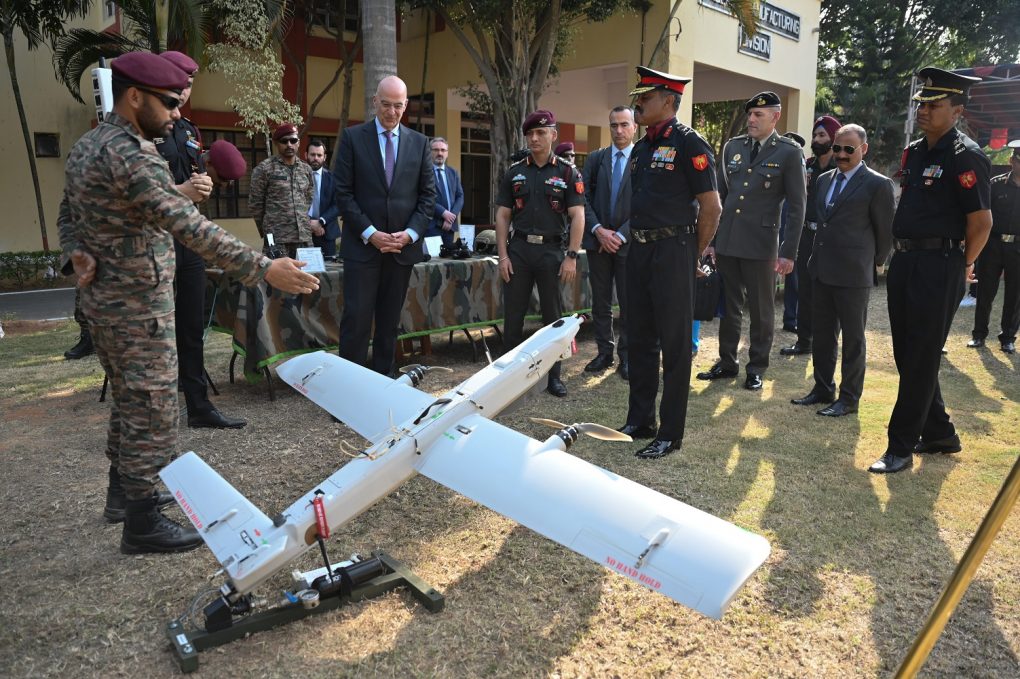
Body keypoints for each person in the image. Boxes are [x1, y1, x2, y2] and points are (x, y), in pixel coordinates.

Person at [58, 52, 319, 552]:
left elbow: (68, 210)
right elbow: (188, 224)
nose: (178, 112)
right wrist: (264, 267)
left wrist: (76, 253)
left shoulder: (89, 145)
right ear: (135, 97)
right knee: (155, 409)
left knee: (130, 404)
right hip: (136, 303)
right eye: (171, 102)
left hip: (103, 302)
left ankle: (122, 493)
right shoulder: (131, 154)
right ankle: (142, 520)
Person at [869, 67, 992, 474]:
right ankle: (940, 432)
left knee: (920, 355)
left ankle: (899, 446)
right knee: (909, 353)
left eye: (934, 105)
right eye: (922, 103)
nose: (924, 110)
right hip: (906, 261)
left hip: (939, 264)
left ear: (956, 111)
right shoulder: (918, 150)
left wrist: (964, 264)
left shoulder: (966, 155)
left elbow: (981, 222)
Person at [616, 66, 722, 459]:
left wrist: (693, 252)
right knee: (640, 335)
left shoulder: (690, 143)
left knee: (675, 346)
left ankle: (669, 432)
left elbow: (712, 206)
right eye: (638, 96)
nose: (638, 102)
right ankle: (640, 418)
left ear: (669, 101)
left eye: (646, 97)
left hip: (674, 250)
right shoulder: (642, 147)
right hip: (639, 249)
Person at [154, 50, 244, 430]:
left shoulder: (188, 131)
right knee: (154, 328)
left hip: (187, 239)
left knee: (192, 326)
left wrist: (203, 186)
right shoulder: (141, 129)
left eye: (190, 83)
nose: (185, 90)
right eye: (179, 82)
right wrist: (182, 191)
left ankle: (198, 406)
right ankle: (153, 414)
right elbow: (139, 193)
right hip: (151, 242)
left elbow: (195, 179)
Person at [697, 91, 806, 391]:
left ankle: (757, 366)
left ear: (776, 117)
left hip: (762, 243)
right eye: (750, 114)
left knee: (761, 309)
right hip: (729, 240)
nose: (752, 119)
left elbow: (797, 206)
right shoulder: (733, 147)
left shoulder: (788, 152)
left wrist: (788, 253)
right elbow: (719, 197)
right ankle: (727, 362)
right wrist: (711, 240)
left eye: (759, 114)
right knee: (729, 306)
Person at [790, 124, 894, 417]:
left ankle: (849, 398)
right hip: (821, 270)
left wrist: (875, 262)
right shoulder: (823, 181)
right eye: (837, 148)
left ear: (864, 149)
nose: (841, 154)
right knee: (822, 335)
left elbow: (885, 231)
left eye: (849, 149)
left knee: (853, 339)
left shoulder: (877, 184)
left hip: (853, 275)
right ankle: (823, 388)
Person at [335, 75, 435, 376]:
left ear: (406, 106)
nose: (391, 112)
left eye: (398, 106)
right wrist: (370, 234)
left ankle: (385, 380)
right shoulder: (353, 139)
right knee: (357, 320)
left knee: (390, 320)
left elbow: (428, 196)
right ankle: (349, 387)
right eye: (386, 105)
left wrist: (409, 235)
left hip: (401, 249)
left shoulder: (420, 144)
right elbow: (343, 193)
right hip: (363, 248)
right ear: (374, 101)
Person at [494, 109, 585, 397]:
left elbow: (578, 216)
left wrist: (571, 256)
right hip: (518, 251)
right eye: (530, 133)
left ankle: (553, 377)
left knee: (552, 318)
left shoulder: (568, 173)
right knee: (513, 318)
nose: (534, 138)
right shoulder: (515, 172)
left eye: (541, 132)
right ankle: (508, 378)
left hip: (551, 253)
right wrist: (503, 256)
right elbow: (502, 216)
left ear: (553, 135)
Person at [581, 106, 635, 380]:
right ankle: (604, 353)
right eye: (614, 125)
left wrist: (620, 235)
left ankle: (627, 358)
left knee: (628, 303)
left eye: (624, 125)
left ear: (634, 127)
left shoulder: (643, 160)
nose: (619, 131)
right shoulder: (595, 159)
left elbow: (646, 204)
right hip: (598, 242)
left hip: (629, 244)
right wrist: (599, 230)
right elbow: (583, 199)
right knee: (600, 302)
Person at [780, 115, 842, 356]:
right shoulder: (806, 165)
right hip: (807, 235)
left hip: (831, 240)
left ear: (834, 138)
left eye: (822, 135)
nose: (816, 139)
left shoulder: (840, 167)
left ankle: (825, 344)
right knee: (804, 289)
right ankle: (804, 341)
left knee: (828, 292)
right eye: (815, 135)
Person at [967, 139, 1020, 354]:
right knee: (985, 291)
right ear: (1012, 161)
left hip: (1018, 248)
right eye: (1019, 160)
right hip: (993, 245)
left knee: (1015, 295)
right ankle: (979, 335)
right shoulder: (995, 184)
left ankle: (1008, 337)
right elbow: (981, 215)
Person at [249, 123, 315, 258]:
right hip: (276, 238)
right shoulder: (264, 169)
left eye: (293, 140)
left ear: (298, 143)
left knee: (308, 276)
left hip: (303, 237)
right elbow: (255, 204)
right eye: (284, 141)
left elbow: (308, 197)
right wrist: (268, 229)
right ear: (276, 144)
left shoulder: (306, 170)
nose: (289, 145)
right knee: (278, 277)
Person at [779, 131, 806, 334]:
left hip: (796, 230)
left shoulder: (804, 166)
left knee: (795, 278)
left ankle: (792, 318)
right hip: (774, 226)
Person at [425, 137, 464, 247]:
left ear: (447, 153)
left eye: (443, 150)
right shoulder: (424, 173)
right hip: (431, 225)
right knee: (433, 262)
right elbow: (424, 197)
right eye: (436, 150)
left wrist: (451, 217)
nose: (440, 153)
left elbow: (460, 197)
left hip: (449, 226)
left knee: (448, 260)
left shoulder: (453, 172)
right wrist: (443, 213)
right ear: (429, 152)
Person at [306, 139, 341, 258]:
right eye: (312, 154)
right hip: (303, 232)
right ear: (306, 155)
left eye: (319, 155)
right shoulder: (298, 178)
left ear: (324, 157)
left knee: (327, 273)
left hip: (326, 233)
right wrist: (309, 222)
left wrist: (320, 221)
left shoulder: (333, 179)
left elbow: (338, 205)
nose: (315, 158)